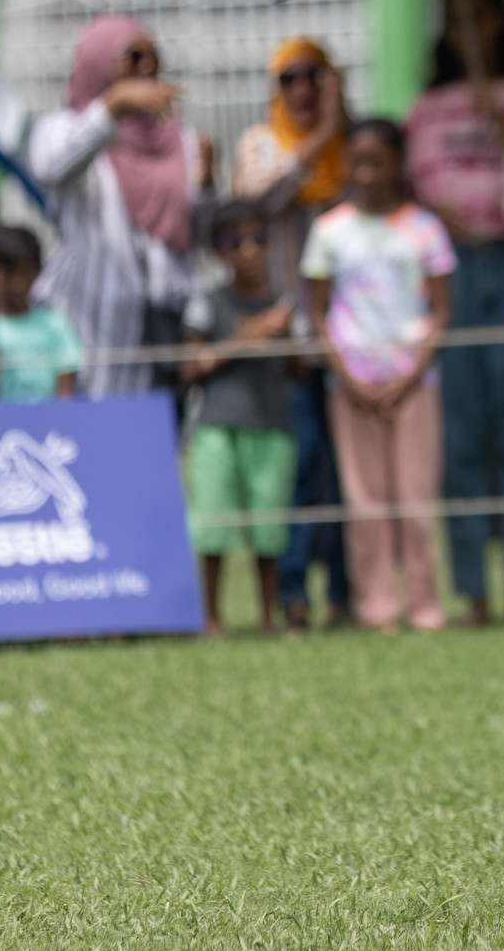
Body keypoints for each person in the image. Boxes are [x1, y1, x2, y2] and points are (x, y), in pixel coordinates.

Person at [406, 0, 504, 625]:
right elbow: (413, 182)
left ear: (503, 22)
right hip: (452, 268)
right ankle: (471, 590)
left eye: (480, 14)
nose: (469, 27)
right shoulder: (428, 106)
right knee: (461, 433)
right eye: (455, 14)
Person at [304, 119, 454, 633]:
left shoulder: (425, 228)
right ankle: (377, 607)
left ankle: (425, 606)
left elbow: (441, 312)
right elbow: (318, 315)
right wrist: (346, 375)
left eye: (377, 162)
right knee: (365, 500)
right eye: (357, 162)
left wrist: (411, 373)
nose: (365, 173)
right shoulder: (328, 231)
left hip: (414, 380)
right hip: (351, 383)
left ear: (398, 165)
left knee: (415, 496)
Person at [233, 37, 353, 631]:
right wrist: (322, 135)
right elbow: (255, 201)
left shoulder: (354, 149)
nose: (302, 90)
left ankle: (345, 594)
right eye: (290, 79)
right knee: (301, 467)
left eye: (314, 77)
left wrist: (339, 135)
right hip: (288, 339)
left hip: (352, 340)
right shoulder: (260, 143)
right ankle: (293, 594)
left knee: (345, 474)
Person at [29, 14, 212, 398]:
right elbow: (50, 168)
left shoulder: (180, 139)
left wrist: (209, 186)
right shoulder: (65, 127)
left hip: (161, 327)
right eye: (132, 57)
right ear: (100, 60)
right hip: (88, 323)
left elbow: (198, 233)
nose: (147, 67)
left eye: (153, 56)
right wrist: (112, 107)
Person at [181, 202, 297, 637]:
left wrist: (287, 340)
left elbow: (301, 374)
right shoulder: (206, 303)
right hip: (216, 428)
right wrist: (245, 338)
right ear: (217, 252)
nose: (249, 251)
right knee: (213, 526)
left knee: (268, 528)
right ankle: (211, 618)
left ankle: (269, 617)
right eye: (235, 242)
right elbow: (188, 369)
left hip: (272, 427)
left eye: (258, 239)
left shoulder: (284, 305)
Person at [0, 226, 82, 402]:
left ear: (38, 272)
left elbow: (66, 394)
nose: (17, 284)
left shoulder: (55, 325)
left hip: (50, 427)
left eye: (25, 272)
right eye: (8, 273)